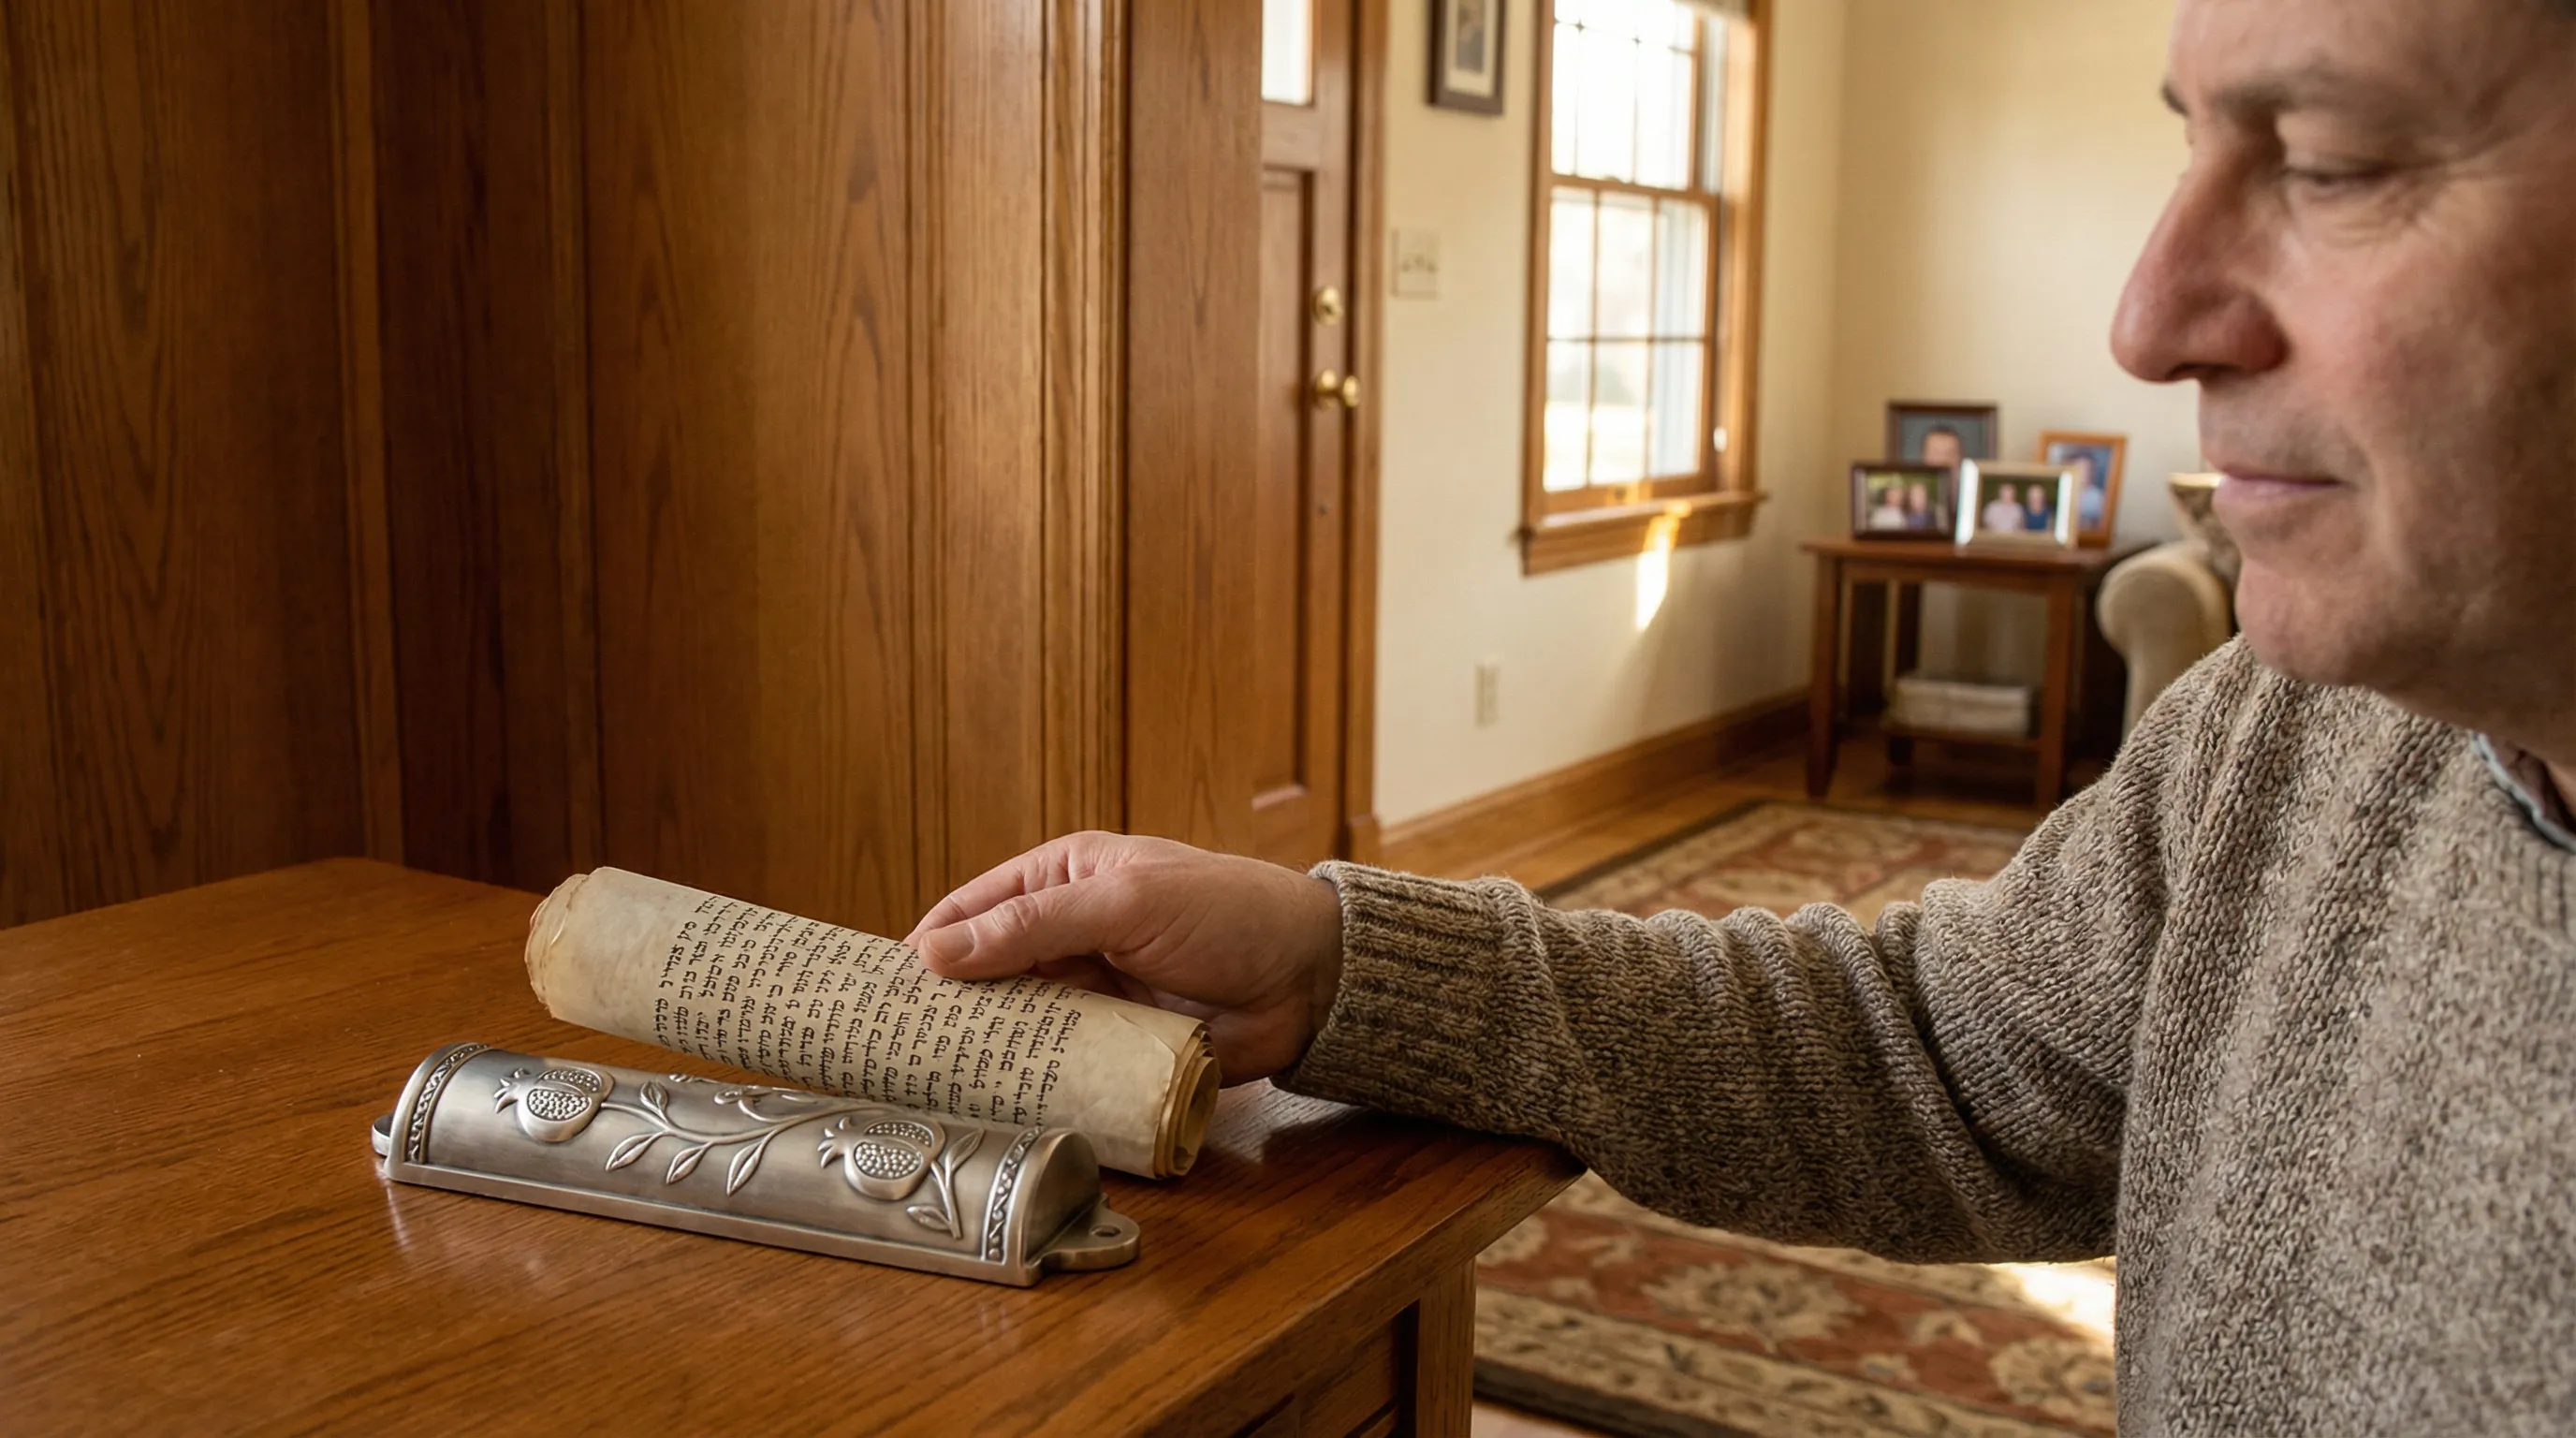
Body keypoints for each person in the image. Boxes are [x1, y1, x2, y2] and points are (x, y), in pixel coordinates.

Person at [909, 0, 2576, 1428]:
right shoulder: (2290, 734)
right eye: (2193, 146)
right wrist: (1336, 961)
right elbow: (1944, 1050)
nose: (2150, 319)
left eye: (2336, 165)